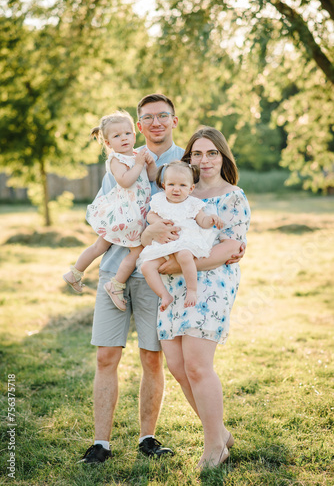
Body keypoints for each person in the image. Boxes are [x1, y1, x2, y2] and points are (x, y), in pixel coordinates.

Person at [77, 94, 246, 464]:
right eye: (148, 118)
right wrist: (138, 235)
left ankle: (148, 438)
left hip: (163, 276)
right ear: (139, 125)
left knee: (155, 359)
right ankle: (101, 443)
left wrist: (226, 246)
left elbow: (205, 210)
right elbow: (108, 213)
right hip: (117, 267)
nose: (155, 123)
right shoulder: (124, 158)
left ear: (173, 120)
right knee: (106, 356)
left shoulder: (187, 161)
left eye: (163, 116)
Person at [141, 126, 250, 469]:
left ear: (223, 156)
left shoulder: (232, 196)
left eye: (212, 153)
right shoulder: (175, 195)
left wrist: (174, 265)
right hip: (170, 289)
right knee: (176, 365)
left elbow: (231, 247)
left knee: (198, 366)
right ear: (188, 160)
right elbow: (147, 235)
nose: (205, 160)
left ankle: (214, 446)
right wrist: (152, 238)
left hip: (210, 285)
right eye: (197, 154)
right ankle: (220, 432)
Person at [63, 111, 156, 311]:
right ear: (107, 143)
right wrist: (139, 163)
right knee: (136, 250)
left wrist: (150, 163)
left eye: (127, 133)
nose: (124, 138)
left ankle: (75, 272)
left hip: (131, 212)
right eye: (116, 136)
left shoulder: (137, 155)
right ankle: (115, 285)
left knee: (100, 246)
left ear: (134, 134)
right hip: (126, 213)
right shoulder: (116, 160)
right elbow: (125, 180)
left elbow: (152, 176)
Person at [138, 161, 224, 311]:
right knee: (146, 266)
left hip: (184, 241)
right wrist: (159, 222)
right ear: (164, 185)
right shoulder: (159, 201)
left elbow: (202, 221)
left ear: (191, 188)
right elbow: (150, 215)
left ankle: (192, 290)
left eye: (182, 186)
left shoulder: (193, 204)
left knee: (184, 256)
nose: (176, 189)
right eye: (171, 184)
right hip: (164, 244)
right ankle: (164, 295)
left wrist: (211, 220)